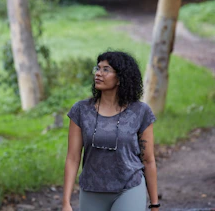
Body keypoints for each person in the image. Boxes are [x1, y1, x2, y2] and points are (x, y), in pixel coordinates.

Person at [62, 51, 160, 211]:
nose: (98, 74)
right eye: (98, 68)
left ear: (121, 78)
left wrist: (154, 205)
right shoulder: (81, 110)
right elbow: (73, 158)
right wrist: (66, 201)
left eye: (106, 70)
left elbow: (148, 160)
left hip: (129, 187)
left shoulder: (140, 112)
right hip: (91, 190)